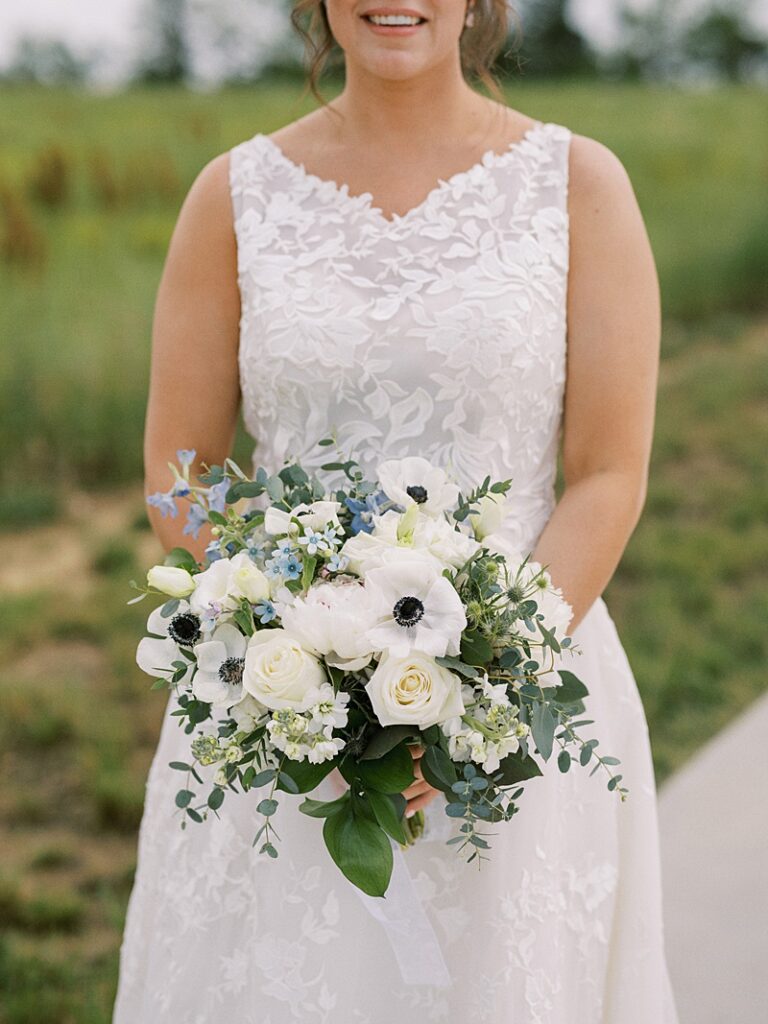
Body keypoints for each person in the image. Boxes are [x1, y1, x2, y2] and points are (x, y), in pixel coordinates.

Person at [112, 1, 680, 1021]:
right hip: (280, 720)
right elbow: (180, 468)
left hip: (525, 715)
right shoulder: (234, 196)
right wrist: (300, 660)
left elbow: (607, 472)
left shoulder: (578, 185)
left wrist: (478, 691)